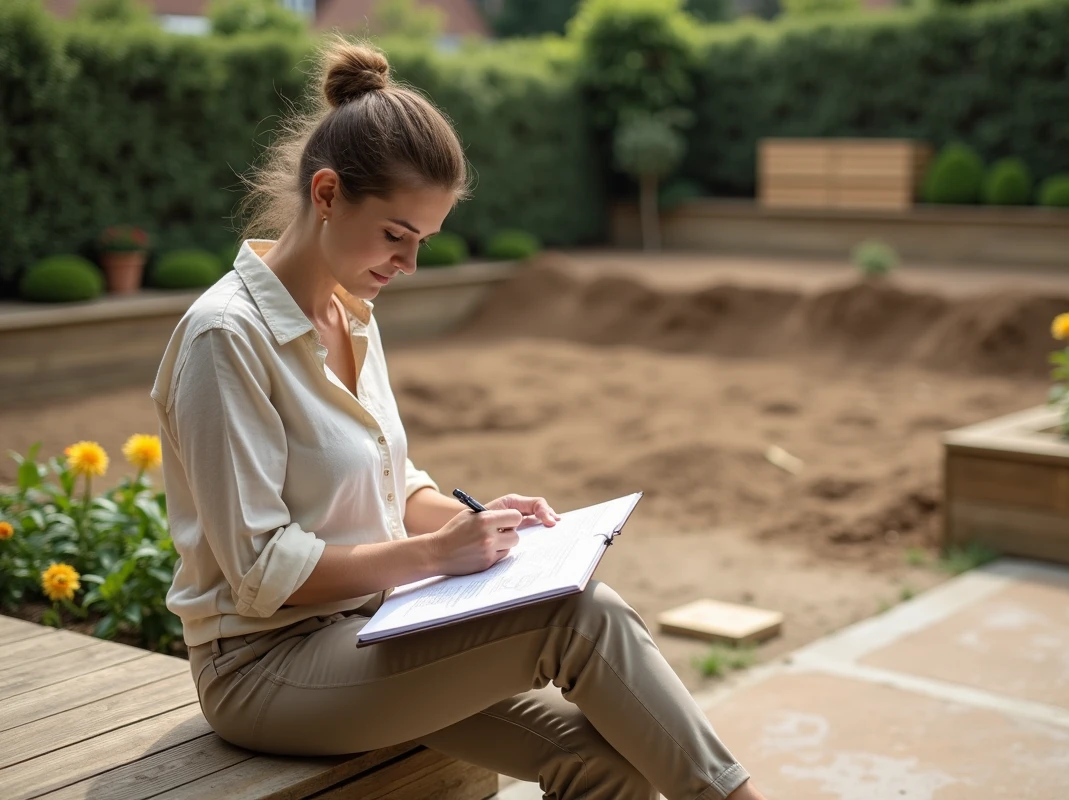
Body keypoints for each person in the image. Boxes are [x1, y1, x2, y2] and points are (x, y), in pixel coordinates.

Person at [151, 35, 768, 800]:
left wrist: (476, 525)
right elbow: (261, 574)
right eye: (395, 236)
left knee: (608, 764)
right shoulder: (225, 338)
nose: (408, 265)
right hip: (266, 671)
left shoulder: (351, 314)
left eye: (423, 242)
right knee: (576, 618)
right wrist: (438, 557)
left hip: (375, 633)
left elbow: (389, 484)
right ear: (327, 194)